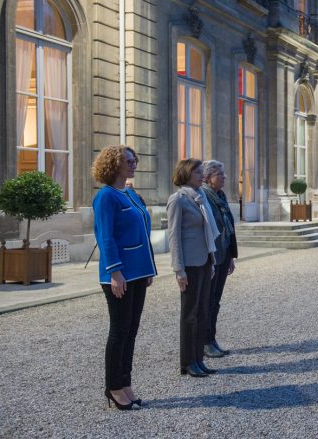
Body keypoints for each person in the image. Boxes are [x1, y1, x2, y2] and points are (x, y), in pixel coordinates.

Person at [92, 145, 156, 410]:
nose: (133, 164)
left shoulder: (130, 193)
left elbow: (143, 231)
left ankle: (126, 383)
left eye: (134, 159)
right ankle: (113, 387)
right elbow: (105, 237)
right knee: (119, 331)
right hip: (119, 275)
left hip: (139, 272)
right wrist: (115, 272)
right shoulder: (106, 197)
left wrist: (149, 269)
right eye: (128, 160)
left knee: (131, 331)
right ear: (113, 164)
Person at [167, 158, 220, 378]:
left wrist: (213, 259)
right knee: (189, 315)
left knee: (201, 312)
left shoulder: (201, 198)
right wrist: (178, 269)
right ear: (186, 174)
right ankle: (187, 362)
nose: (201, 175)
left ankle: (198, 359)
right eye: (198, 172)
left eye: (201, 172)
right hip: (189, 264)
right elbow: (174, 237)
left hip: (205, 261)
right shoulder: (178, 200)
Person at [201, 160, 237, 358]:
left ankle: (211, 339)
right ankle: (205, 342)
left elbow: (228, 226)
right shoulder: (205, 196)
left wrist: (231, 255)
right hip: (212, 256)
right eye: (220, 175)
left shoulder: (220, 195)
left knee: (215, 301)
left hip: (223, 254)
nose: (224, 178)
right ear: (208, 177)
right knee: (208, 300)